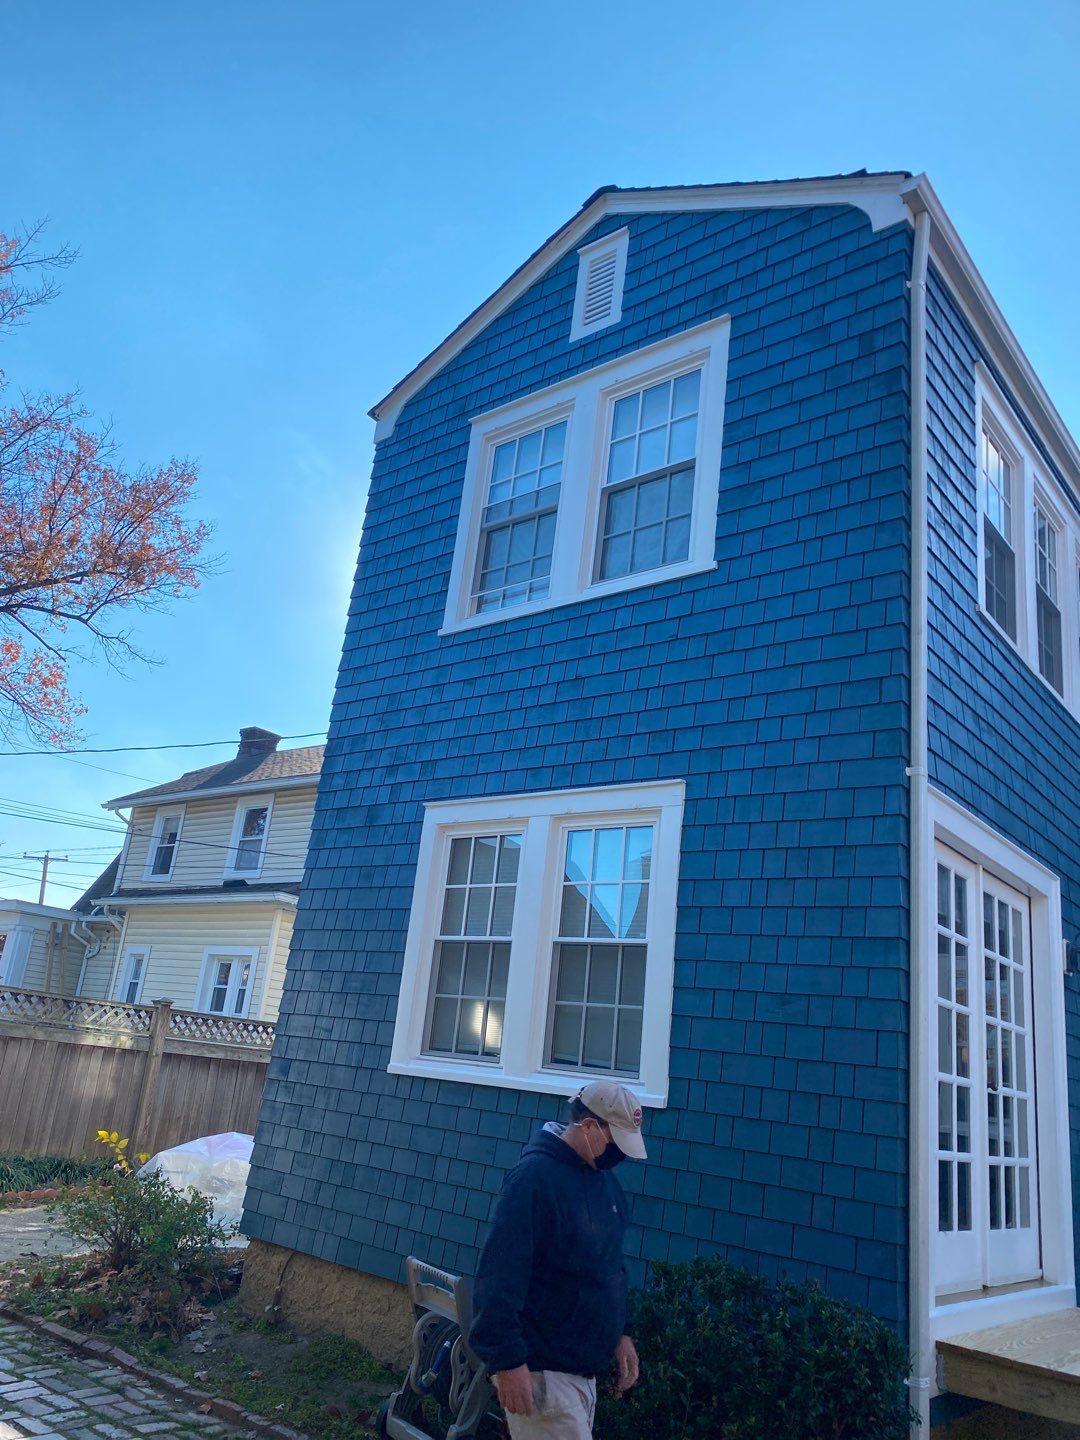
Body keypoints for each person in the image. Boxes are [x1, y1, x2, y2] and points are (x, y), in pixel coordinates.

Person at [469, 1080, 647, 1439]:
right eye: (615, 1143)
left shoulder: (603, 1182)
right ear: (589, 1126)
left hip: (582, 1376)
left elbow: (610, 1265)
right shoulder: (533, 1181)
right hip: (543, 1377)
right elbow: (499, 1274)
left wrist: (620, 1333)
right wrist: (508, 1362)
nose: (620, 1155)